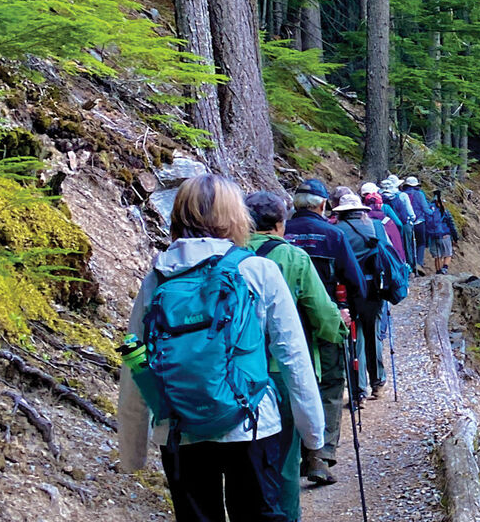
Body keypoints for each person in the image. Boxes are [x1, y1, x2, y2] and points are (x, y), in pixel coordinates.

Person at [116, 174, 324, 522]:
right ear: (235, 217)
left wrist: (132, 451)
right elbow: (293, 358)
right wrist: (313, 433)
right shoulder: (257, 270)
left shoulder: (158, 277)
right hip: (252, 422)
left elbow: (137, 365)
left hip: (179, 430)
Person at [244, 191, 350, 493]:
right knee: (285, 465)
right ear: (281, 223)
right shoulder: (292, 257)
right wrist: (338, 329)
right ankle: (316, 457)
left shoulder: (228, 255)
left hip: (236, 370)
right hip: (282, 368)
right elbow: (322, 313)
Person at [282, 179, 366, 481]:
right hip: (326, 321)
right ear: (322, 206)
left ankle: (292, 452)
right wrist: (350, 314)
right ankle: (321, 454)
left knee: (291, 384)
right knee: (329, 384)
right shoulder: (333, 235)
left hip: (282, 325)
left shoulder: (280, 235)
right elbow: (356, 282)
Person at [332, 193, 395, 400]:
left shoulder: (336, 231)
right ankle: (378, 382)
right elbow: (388, 253)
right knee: (373, 333)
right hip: (374, 288)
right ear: (361, 211)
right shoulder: (376, 227)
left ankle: (358, 389)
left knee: (353, 335)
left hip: (347, 290)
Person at [380, 176, 419, 268]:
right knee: (407, 246)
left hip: (387, 225)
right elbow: (409, 211)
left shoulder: (381, 198)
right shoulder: (400, 196)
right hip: (403, 224)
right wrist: (412, 218)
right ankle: (410, 266)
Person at [400, 176, 437, 271]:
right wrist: (432, 212)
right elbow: (425, 209)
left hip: (407, 223)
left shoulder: (402, 194)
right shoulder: (419, 194)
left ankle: (411, 264)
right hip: (419, 222)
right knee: (421, 243)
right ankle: (419, 263)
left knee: (410, 244)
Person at [432, 204, 457, 275]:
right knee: (448, 254)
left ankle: (438, 271)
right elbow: (451, 225)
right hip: (445, 236)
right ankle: (444, 269)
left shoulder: (430, 212)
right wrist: (455, 237)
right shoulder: (445, 212)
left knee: (437, 256)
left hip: (434, 236)